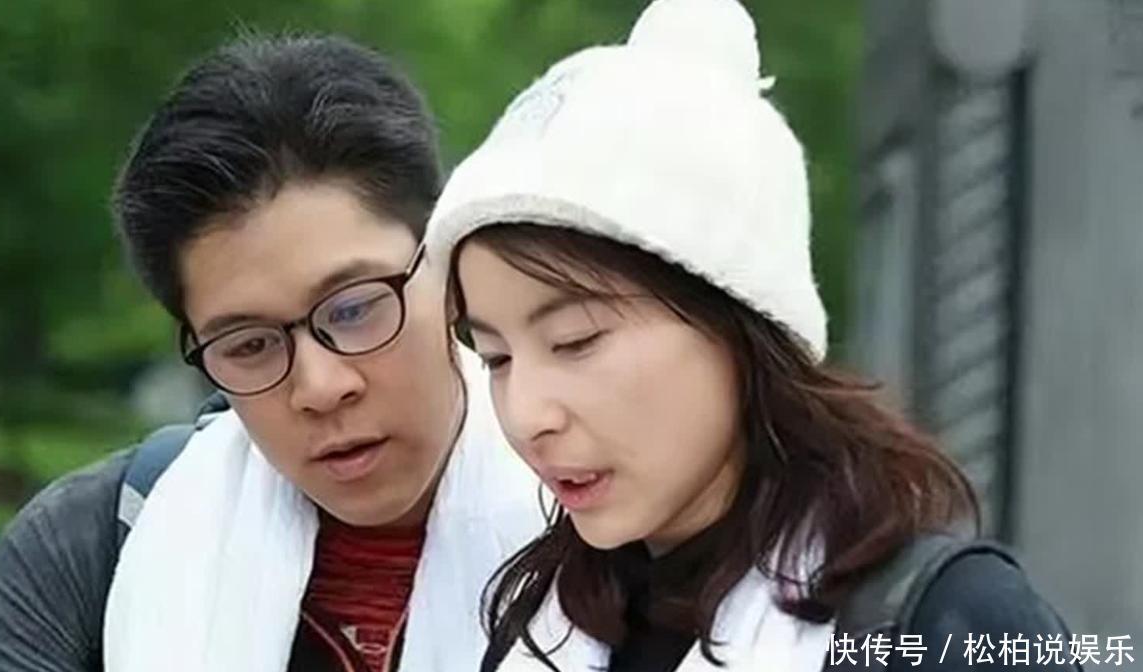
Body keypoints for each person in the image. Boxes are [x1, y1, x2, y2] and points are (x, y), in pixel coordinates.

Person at [423, 0, 1080, 670]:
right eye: (496, 358)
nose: (526, 415)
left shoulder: (943, 623)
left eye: (575, 341)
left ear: (738, 323)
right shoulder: (540, 628)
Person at [0, 34, 540, 672]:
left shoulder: (608, 532)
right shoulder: (93, 549)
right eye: (250, 345)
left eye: (353, 309)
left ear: (450, 268)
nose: (320, 387)